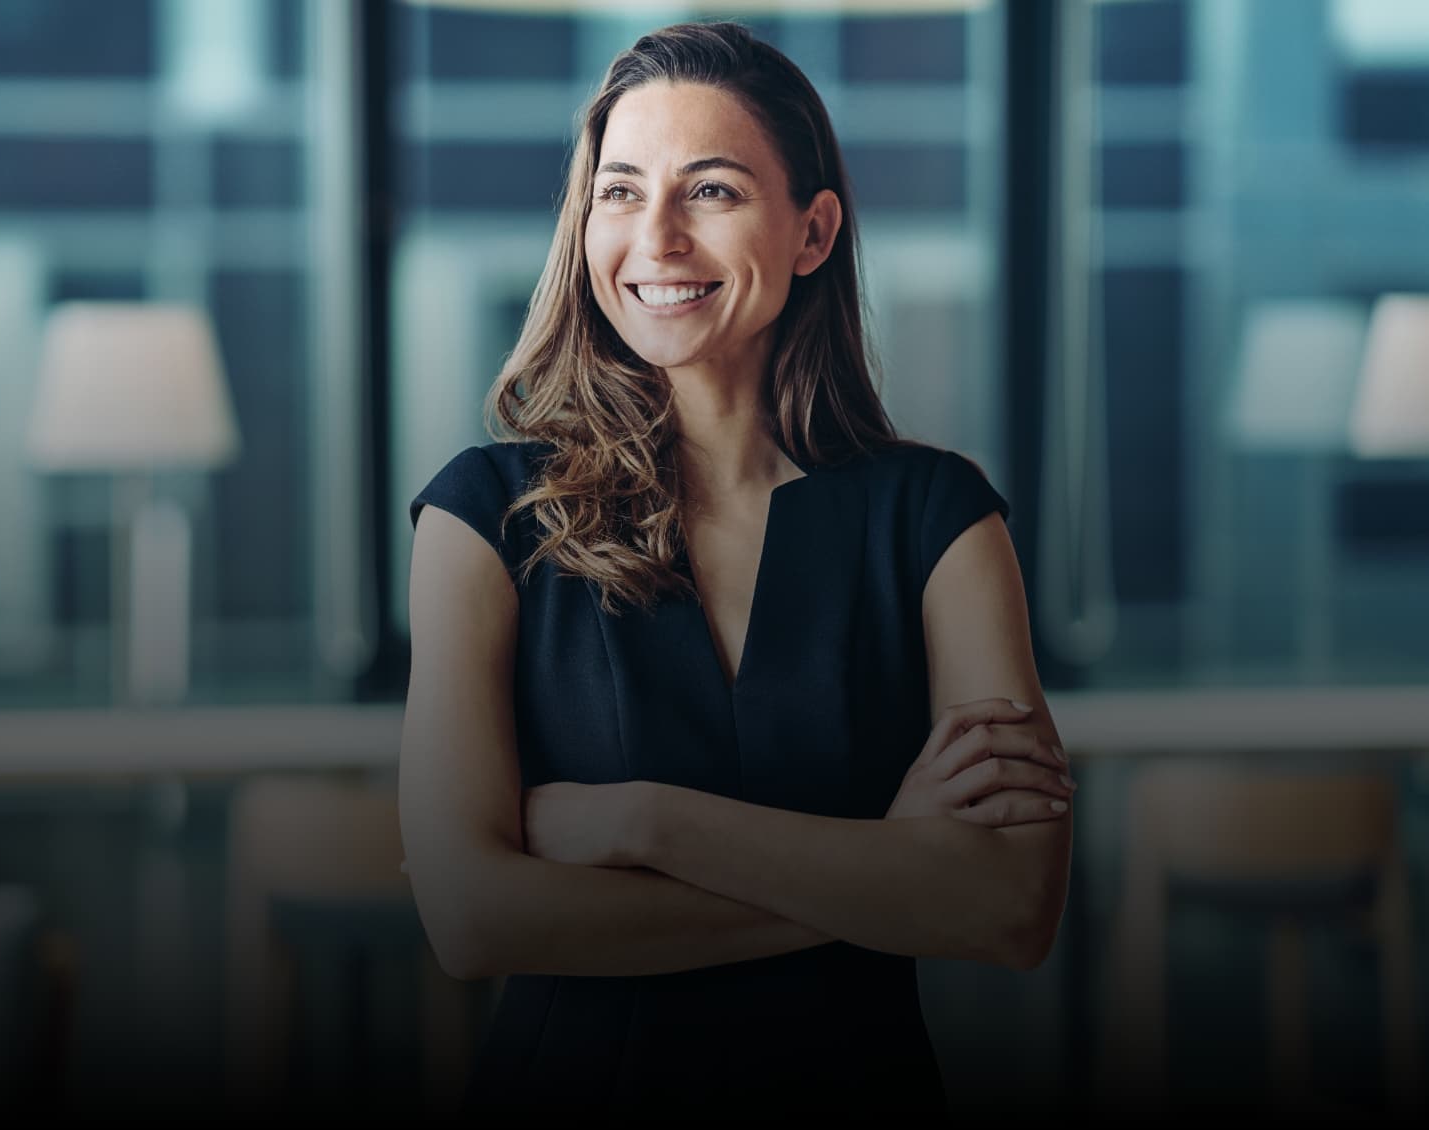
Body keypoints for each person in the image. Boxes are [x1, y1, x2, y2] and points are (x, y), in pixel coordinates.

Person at [399, 20, 1072, 1122]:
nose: (654, 237)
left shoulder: (940, 518)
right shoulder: (485, 516)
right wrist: (896, 875)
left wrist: (646, 823)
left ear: (812, 232)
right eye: (618, 192)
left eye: (708, 191)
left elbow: (1009, 909)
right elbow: (474, 919)